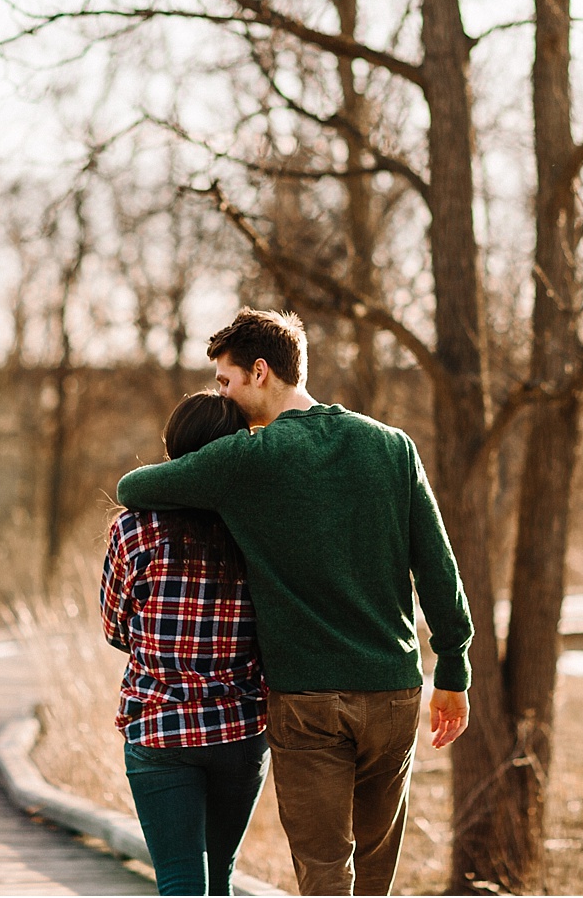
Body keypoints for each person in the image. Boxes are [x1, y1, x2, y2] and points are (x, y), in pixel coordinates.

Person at [117, 308, 473, 897]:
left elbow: (135, 488)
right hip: (393, 692)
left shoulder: (247, 459)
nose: (222, 398)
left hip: (305, 701)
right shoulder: (392, 447)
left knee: (324, 869)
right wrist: (454, 673)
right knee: (377, 871)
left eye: (225, 382)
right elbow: (439, 571)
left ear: (260, 372)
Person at [101, 391, 268, 897]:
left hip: (159, 729)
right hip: (238, 728)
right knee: (221, 879)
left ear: (174, 445)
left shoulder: (134, 527)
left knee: (179, 883)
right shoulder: (257, 528)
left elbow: (115, 628)